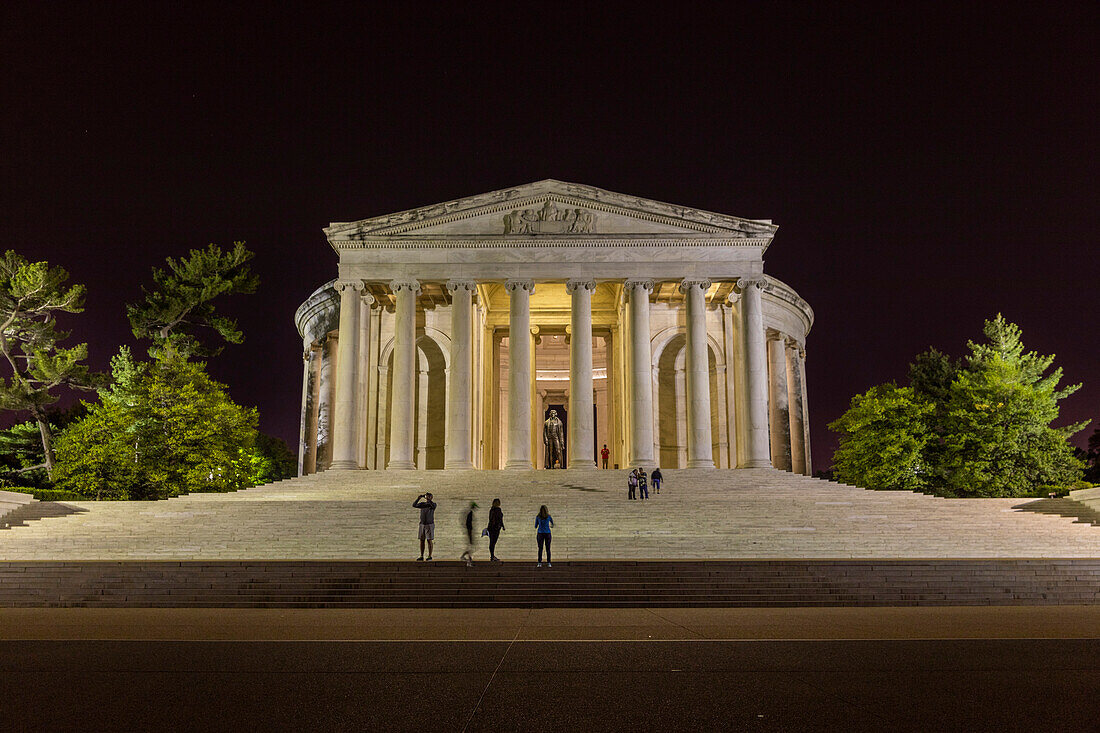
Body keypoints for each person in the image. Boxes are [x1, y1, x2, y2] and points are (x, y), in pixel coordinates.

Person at [412, 492, 436, 561]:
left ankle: (429, 556)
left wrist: (428, 499)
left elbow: (433, 506)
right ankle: (421, 555)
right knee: (422, 540)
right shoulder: (423, 504)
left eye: (429, 496)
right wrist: (418, 498)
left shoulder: (433, 504)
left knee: (429, 540)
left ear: (431, 497)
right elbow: (414, 505)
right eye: (426, 496)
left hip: (429, 524)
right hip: (422, 524)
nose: (427, 497)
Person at [460, 501, 478, 567]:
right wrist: (470, 531)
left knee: (470, 546)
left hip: (470, 531)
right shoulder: (470, 513)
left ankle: (464, 557)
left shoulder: (469, 513)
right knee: (471, 547)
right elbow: (468, 523)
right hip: (469, 531)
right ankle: (469, 562)